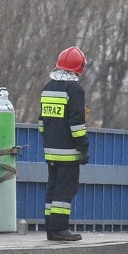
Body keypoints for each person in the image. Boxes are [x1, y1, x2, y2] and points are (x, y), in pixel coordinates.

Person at [39, 46, 90, 242]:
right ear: (79, 68)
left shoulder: (48, 88)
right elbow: (77, 124)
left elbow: (42, 122)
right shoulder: (74, 90)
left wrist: (48, 141)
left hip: (51, 150)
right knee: (65, 189)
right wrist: (83, 148)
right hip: (68, 151)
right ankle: (60, 228)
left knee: (52, 188)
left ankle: (51, 229)